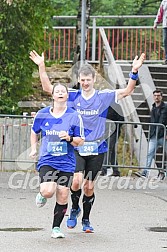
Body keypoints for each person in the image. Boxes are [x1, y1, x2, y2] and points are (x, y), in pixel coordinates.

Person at [29, 50, 145, 233]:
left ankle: (86, 219)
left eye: (87, 80)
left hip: (97, 147)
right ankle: (74, 208)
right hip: (77, 145)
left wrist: (134, 71)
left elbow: (128, 91)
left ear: (93, 80)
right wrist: (41, 66)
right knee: (75, 181)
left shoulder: (103, 96)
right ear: (79, 80)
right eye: (82, 80)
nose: (84, 83)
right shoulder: (73, 96)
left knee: (89, 186)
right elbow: (47, 88)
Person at [29, 83, 84, 239]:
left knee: (63, 194)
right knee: (48, 190)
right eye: (57, 91)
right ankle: (42, 194)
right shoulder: (43, 114)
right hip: (48, 159)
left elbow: (81, 141)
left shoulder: (74, 116)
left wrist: (69, 138)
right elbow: (34, 132)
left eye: (63, 91)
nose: (60, 93)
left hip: (66, 162)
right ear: (52, 95)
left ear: (67, 96)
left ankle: (56, 228)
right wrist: (33, 148)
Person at [135, 89, 167, 179]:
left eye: (158, 95)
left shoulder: (165, 107)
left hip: (163, 135)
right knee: (149, 153)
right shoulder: (153, 107)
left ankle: (164, 173)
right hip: (154, 135)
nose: (156, 97)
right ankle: (145, 173)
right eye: (155, 95)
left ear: (161, 97)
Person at [101, 103, 124, 176]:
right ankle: (116, 170)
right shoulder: (102, 106)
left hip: (114, 131)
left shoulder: (117, 106)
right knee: (111, 150)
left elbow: (122, 119)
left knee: (108, 148)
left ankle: (103, 169)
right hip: (105, 132)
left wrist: (114, 126)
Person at [153, 0, 167, 64]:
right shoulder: (164, 2)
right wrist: (156, 22)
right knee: (165, 41)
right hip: (165, 25)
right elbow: (160, 13)